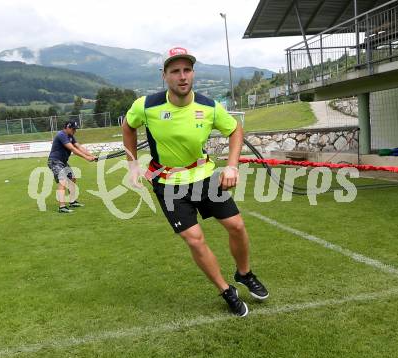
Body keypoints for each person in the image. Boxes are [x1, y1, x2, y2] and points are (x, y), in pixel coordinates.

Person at [122, 47, 268, 317]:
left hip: (204, 176)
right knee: (195, 239)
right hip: (167, 182)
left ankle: (244, 274)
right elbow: (128, 126)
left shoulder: (209, 106)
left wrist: (232, 166)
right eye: (175, 71)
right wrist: (132, 164)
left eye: (187, 70)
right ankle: (226, 291)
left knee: (236, 225)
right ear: (164, 76)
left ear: (193, 73)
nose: (182, 76)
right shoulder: (146, 105)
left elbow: (235, 129)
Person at [47, 120, 95, 213]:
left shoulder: (70, 136)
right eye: (73, 129)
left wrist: (91, 155)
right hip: (55, 161)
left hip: (63, 162)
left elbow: (79, 147)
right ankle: (62, 207)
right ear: (67, 127)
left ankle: (72, 202)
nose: (75, 131)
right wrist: (86, 158)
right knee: (63, 181)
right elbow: (73, 149)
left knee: (72, 178)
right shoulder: (61, 135)